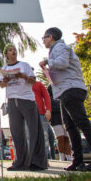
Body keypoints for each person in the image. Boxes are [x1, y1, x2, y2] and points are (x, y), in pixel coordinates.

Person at [39, 27, 90, 171]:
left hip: (71, 89)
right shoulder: (56, 49)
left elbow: (62, 63)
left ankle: (79, 160)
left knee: (82, 123)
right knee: (70, 127)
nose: (43, 41)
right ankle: (78, 160)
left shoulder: (60, 47)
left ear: (51, 37)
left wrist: (47, 61)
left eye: (44, 38)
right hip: (64, 91)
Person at [0, 43, 47, 171]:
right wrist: (6, 80)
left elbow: (33, 81)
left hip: (26, 100)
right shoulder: (4, 68)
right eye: (10, 50)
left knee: (33, 130)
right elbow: (1, 85)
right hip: (12, 101)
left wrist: (23, 76)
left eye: (14, 49)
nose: (13, 51)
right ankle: (20, 162)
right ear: (6, 54)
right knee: (16, 132)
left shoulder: (24, 65)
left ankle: (37, 162)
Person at [48, 85, 71, 161]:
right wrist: (60, 108)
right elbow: (52, 108)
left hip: (64, 120)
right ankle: (62, 156)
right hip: (56, 121)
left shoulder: (60, 96)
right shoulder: (50, 98)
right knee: (60, 138)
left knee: (67, 138)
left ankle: (68, 156)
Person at [32, 78, 52, 162]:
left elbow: (46, 96)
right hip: (28, 114)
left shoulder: (38, 84)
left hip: (40, 113)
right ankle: (32, 159)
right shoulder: (23, 86)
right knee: (30, 136)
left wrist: (48, 110)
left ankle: (44, 159)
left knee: (44, 136)